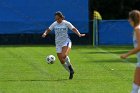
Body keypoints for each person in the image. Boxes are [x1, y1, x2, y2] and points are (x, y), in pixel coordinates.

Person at [42, 11, 85, 79]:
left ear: (61, 17)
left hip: (66, 42)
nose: (57, 20)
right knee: (62, 61)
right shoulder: (55, 24)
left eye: (58, 18)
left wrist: (79, 34)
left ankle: (70, 67)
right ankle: (71, 71)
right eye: (56, 19)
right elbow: (48, 29)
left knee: (64, 55)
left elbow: (73, 29)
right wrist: (45, 33)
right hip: (58, 44)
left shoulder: (66, 23)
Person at [120, 10, 140, 93]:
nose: (128, 20)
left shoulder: (137, 29)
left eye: (129, 18)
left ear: (133, 19)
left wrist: (126, 54)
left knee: (135, 87)